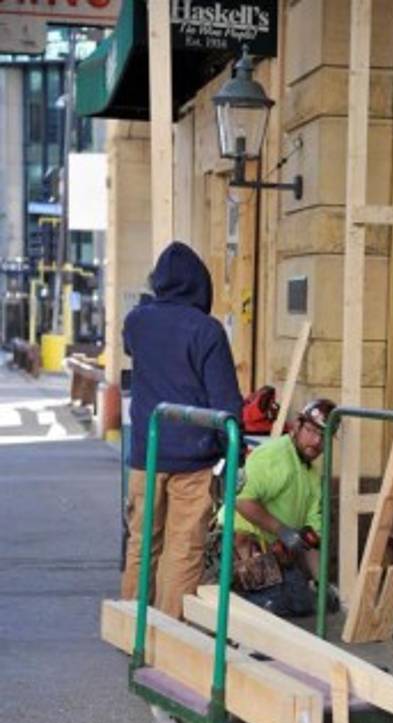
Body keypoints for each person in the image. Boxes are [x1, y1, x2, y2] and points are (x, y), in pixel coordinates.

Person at [121, 241, 243, 619]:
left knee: (142, 541)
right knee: (183, 547)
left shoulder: (137, 322)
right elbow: (225, 400)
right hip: (193, 458)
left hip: (148, 452)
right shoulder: (207, 331)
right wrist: (233, 452)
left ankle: (131, 625)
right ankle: (167, 632)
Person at [229, 397, 338, 617]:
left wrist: (321, 583)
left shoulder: (312, 476)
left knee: (305, 605)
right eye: (311, 431)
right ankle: (233, 598)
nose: (316, 441)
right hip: (239, 545)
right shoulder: (274, 456)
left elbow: (311, 538)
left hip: (274, 553)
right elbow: (241, 500)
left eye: (324, 436)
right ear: (297, 426)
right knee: (271, 607)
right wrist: (282, 530)